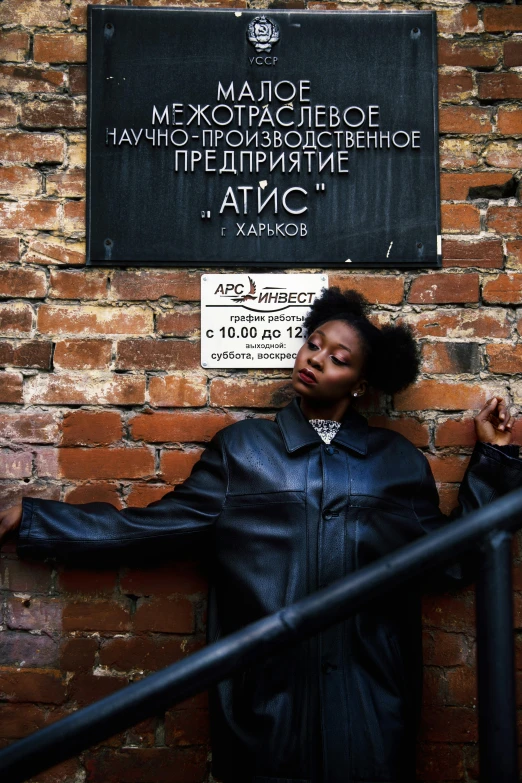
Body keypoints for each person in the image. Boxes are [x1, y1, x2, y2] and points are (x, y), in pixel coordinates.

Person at [0, 286, 521, 783]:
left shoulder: (397, 465)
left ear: (362, 384)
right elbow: (147, 530)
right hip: (266, 710)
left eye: (338, 358)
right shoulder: (243, 452)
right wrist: (40, 519)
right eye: (313, 344)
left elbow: (454, 561)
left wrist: (495, 460)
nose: (315, 359)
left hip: (373, 711)